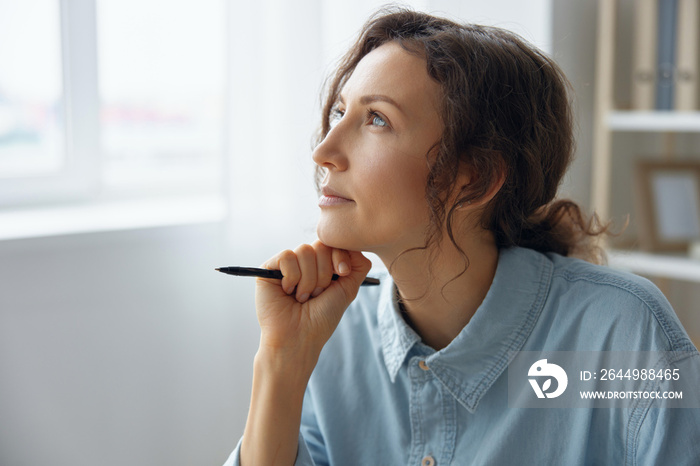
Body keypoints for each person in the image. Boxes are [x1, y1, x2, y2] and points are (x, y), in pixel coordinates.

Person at [224, 7, 700, 466]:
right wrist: (281, 362)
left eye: (376, 120)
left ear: (474, 178)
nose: (323, 151)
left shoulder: (623, 334)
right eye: (340, 112)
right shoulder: (333, 332)